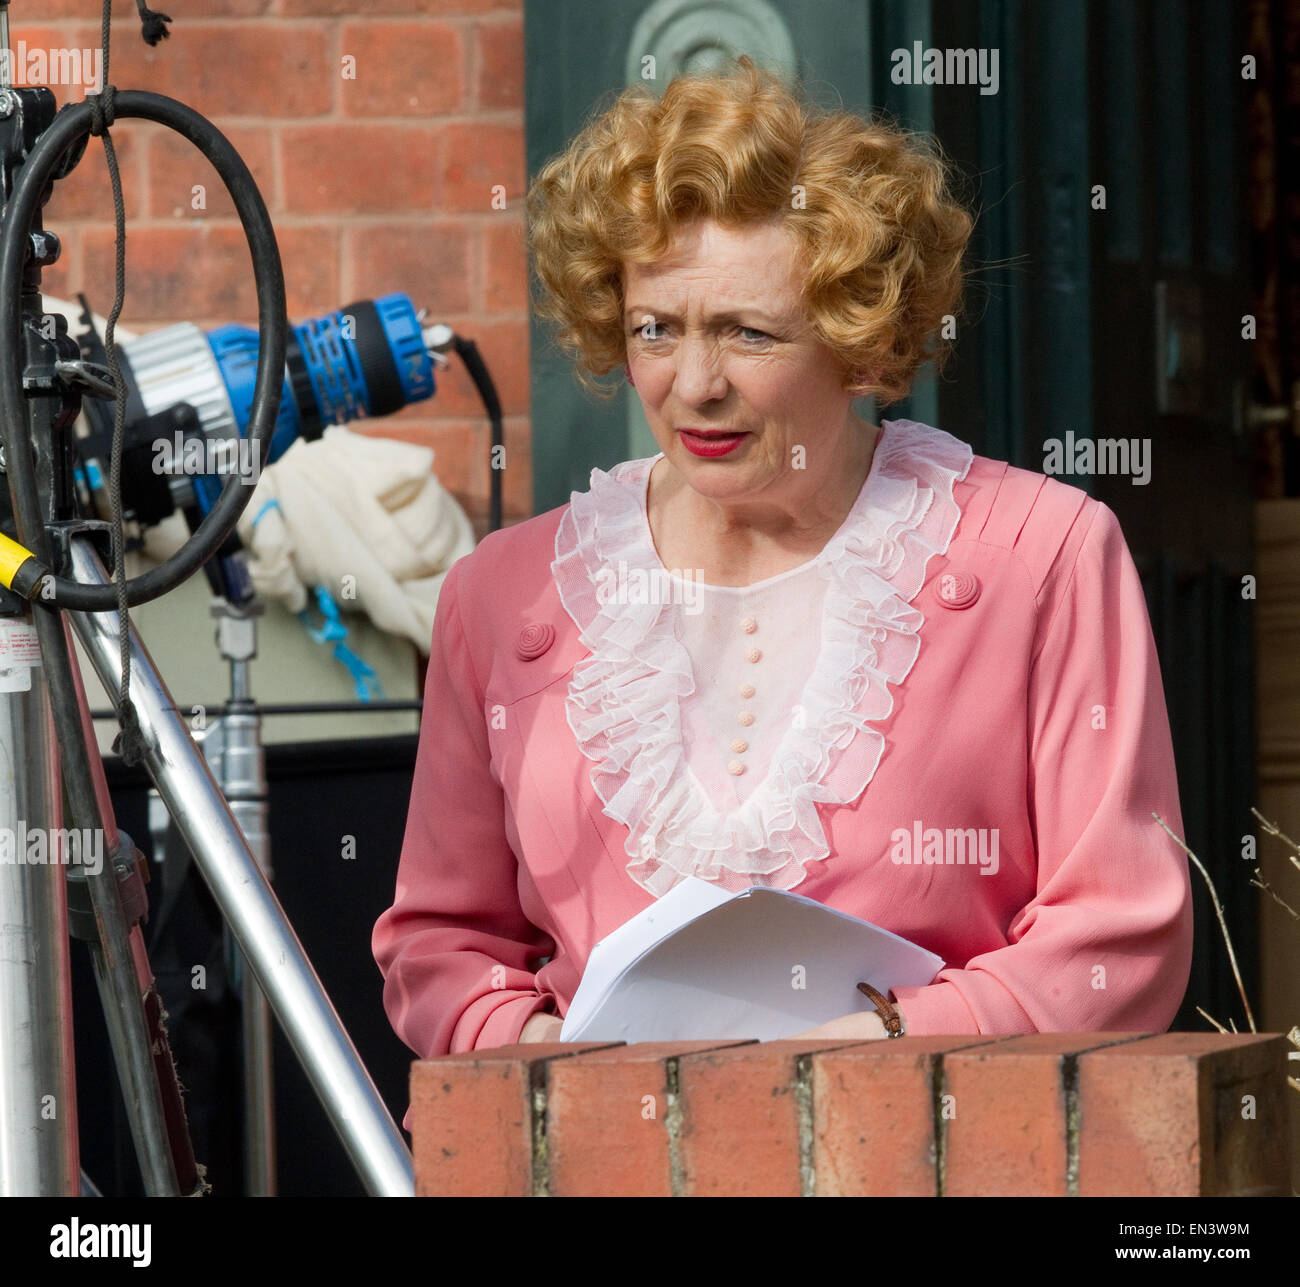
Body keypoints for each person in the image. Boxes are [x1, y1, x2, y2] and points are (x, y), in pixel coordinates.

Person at [372, 56, 1192, 1078]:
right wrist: (549, 1057)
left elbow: (1121, 937)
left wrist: (875, 1048)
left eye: (746, 333)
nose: (693, 384)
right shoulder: (501, 595)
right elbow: (439, 945)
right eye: (654, 330)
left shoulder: (1043, 552)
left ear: (860, 341)